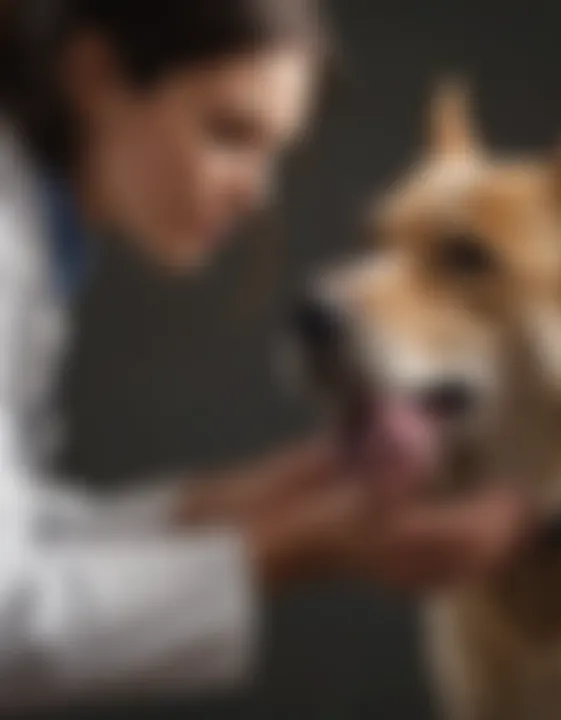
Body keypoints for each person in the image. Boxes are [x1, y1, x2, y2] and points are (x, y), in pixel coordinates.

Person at [0, 0, 530, 707]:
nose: (256, 194)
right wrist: (300, 547)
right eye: (228, 134)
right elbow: (14, 627)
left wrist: (249, 498)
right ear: (95, 75)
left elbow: (22, 534)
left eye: (274, 152)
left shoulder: (41, 242)